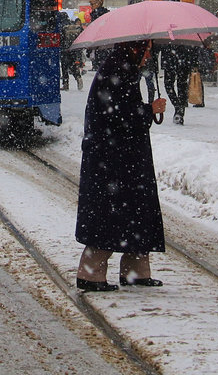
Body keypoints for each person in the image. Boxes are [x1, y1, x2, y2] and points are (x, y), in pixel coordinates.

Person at [75, 39, 166, 291]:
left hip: (122, 158)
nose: (149, 54)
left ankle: (136, 270)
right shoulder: (117, 70)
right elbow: (118, 115)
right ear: (135, 48)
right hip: (113, 161)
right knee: (111, 215)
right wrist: (149, 110)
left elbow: (121, 112)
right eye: (147, 49)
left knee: (135, 213)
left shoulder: (121, 68)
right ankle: (92, 274)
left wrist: (145, 111)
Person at [60, 17, 85, 90]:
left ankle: (65, 84)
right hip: (74, 48)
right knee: (72, 65)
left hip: (65, 49)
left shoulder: (63, 27)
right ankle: (78, 77)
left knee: (64, 67)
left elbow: (61, 38)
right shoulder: (74, 26)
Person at [87, 0, 110, 70]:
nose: (91, 6)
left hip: (99, 37)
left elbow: (96, 27)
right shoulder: (104, 12)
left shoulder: (97, 13)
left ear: (98, 4)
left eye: (92, 4)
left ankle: (98, 66)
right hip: (103, 38)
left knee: (99, 53)